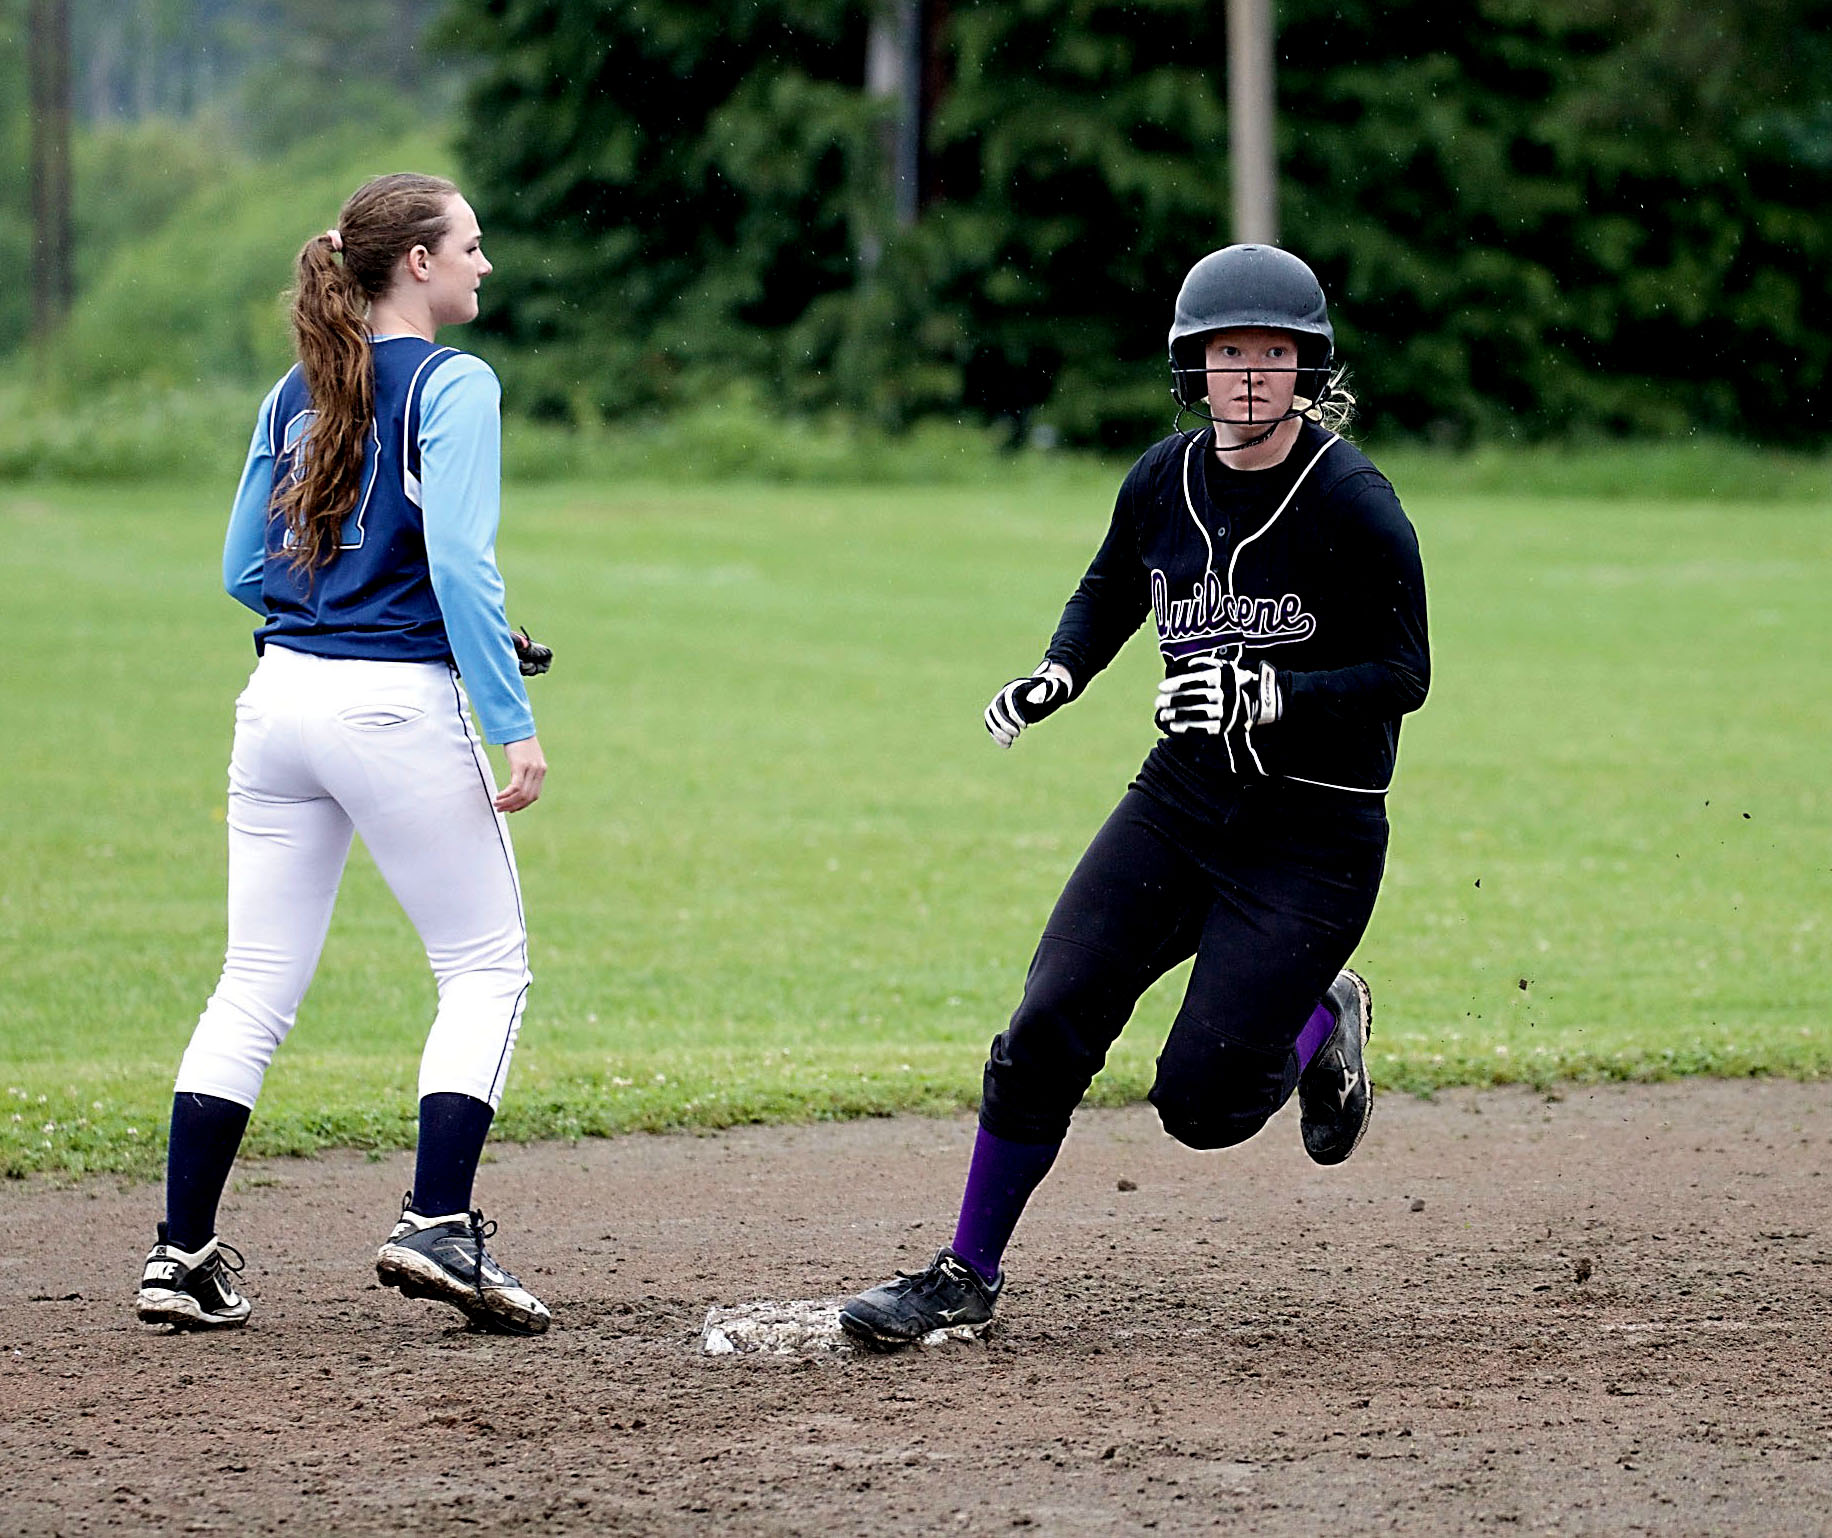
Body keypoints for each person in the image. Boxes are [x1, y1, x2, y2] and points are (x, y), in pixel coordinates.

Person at [839, 245, 1429, 1349]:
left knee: (1201, 1105)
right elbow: (1111, 585)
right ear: (1191, 369)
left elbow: (1405, 676)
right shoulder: (1161, 477)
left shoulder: (1354, 502)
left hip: (1312, 834)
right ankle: (964, 1270)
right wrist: (1059, 669)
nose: (1247, 374)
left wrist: (1266, 690)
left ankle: (1319, 1011)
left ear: (1307, 369)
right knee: (1045, 1022)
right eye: (1225, 353)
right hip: (1179, 804)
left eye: (1271, 353)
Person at [135, 174, 554, 1337]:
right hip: (392, 711)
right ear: (413, 263)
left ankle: (179, 1253)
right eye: (469, 244)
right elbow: (462, 565)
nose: (484, 263)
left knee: (253, 984)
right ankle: (435, 1220)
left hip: (276, 703)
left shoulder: (295, 388)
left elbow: (244, 571)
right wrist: (508, 711)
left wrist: (356, 598)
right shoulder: (456, 382)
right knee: (484, 966)